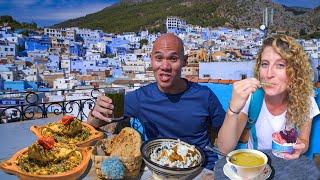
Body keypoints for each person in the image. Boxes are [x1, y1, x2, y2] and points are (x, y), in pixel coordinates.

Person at [87, 33, 226, 169]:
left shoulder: (204, 95)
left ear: (184, 61)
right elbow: (93, 123)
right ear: (151, 60)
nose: (165, 66)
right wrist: (96, 112)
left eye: (173, 59)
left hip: (202, 169)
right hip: (160, 168)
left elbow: (225, 134)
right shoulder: (140, 98)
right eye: (159, 58)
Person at [217, 34, 319, 159]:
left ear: (295, 72)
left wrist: (301, 147)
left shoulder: (305, 99)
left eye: (280, 65)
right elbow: (224, 148)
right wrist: (233, 110)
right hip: (254, 168)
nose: (269, 74)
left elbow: (304, 140)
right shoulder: (252, 97)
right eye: (265, 64)